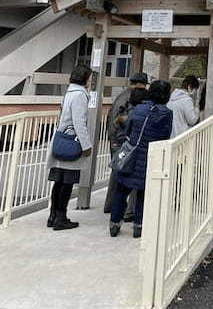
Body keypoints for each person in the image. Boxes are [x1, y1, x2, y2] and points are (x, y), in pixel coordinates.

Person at [109, 79, 172, 239]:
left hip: (131, 155)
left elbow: (128, 129)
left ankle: (115, 224)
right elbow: (165, 136)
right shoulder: (167, 113)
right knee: (144, 194)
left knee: (122, 190)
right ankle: (139, 226)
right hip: (151, 156)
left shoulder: (138, 109)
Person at [46, 65, 93, 231]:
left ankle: (52, 216)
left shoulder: (69, 92)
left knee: (58, 181)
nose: (90, 80)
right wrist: (86, 145)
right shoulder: (80, 95)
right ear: (85, 79)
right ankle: (61, 217)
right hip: (71, 142)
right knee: (67, 182)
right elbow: (79, 122)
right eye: (90, 77)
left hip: (61, 139)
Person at [103, 71, 149, 216]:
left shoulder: (120, 96)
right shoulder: (134, 97)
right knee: (132, 175)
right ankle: (130, 211)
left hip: (115, 139)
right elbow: (129, 120)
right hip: (125, 140)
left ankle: (110, 206)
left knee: (117, 172)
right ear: (141, 84)